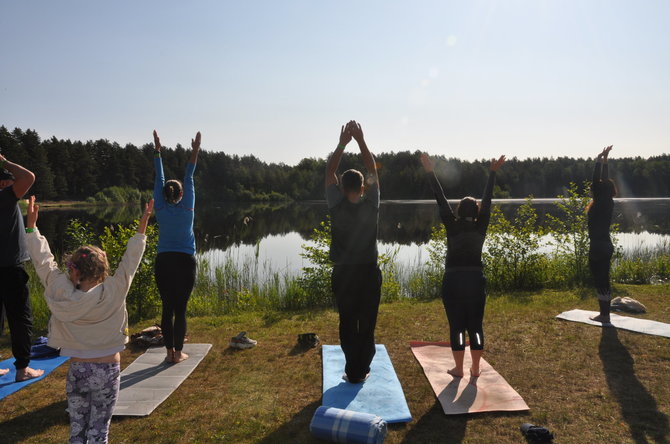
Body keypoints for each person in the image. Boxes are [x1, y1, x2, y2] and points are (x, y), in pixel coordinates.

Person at [24, 195, 152, 444]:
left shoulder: (60, 289)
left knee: (78, 428)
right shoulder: (115, 290)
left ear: (73, 271)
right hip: (107, 370)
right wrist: (142, 224)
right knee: (98, 430)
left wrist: (32, 228)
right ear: (103, 270)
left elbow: (43, 261)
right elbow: (132, 259)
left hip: (78, 370)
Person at [420, 152, 506, 377]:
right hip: (475, 281)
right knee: (475, 326)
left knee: (457, 326)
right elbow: (487, 200)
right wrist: (493, 173)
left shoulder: (452, 223)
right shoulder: (481, 225)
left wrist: (430, 171)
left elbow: (440, 197)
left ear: (459, 211)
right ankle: (476, 368)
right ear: (477, 212)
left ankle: (459, 368)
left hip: (454, 282)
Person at [325, 120, 381, 384]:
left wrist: (342, 144)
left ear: (341, 187)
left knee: (348, 322)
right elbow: (372, 169)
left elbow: (329, 171)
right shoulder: (371, 204)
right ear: (362, 188)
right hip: (369, 273)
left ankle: (353, 370)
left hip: (344, 274)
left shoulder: (336, 205)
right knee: (366, 323)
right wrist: (360, 141)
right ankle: (362, 368)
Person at [153, 130, 200, 363]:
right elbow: (189, 175)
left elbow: (158, 180)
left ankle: (169, 352)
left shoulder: (159, 208)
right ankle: (178, 354)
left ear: (162, 195)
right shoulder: (187, 208)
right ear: (182, 194)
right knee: (180, 309)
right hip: (184, 262)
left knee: (167, 308)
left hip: (163, 261)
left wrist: (157, 151)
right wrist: (195, 149)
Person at [0, 153, 43, 381]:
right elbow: (28, 177)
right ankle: (23, 369)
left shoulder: (7, 198)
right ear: (4, 183)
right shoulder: (5, 197)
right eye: (8, 179)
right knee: (20, 319)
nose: (12, 183)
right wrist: (3, 161)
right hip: (9, 269)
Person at [588, 145, 616, 323]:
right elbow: (602, 181)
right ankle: (605, 314)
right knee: (603, 279)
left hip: (598, 246)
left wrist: (599, 160)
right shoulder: (608, 202)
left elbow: (596, 180)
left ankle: (604, 315)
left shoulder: (598, 203)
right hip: (605, 245)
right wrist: (603, 160)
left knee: (600, 280)